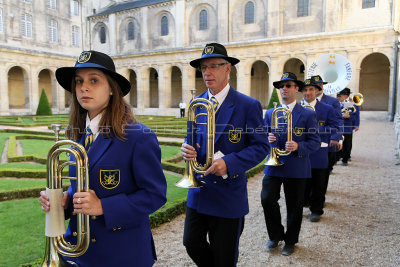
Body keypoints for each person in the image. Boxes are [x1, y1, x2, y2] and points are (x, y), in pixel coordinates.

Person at [39, 50, 167, 266]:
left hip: (120, 254)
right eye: (79, 81)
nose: (83, 87)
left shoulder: (138, 136)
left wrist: (103, 207)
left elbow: (155, 195)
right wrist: (66, 201)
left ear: (111, 89)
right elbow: (80, 187)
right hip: (78, 252)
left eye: (94, 80)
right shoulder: (79, 134)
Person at [181, 43, 268, 266]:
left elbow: (261, 147)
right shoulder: (196, 103)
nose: (207, 72)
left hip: (228, 194)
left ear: (228, 68)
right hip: (198, 192)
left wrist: (229, 163)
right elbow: (191, 138)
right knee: (191, 243)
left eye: (213, 66)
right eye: (203, 68)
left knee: (224, 257)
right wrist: (185, 148)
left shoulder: (248, 105)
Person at [261, 72, 320, 256]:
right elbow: (261, 138)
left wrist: (298, 146)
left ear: (297, 89)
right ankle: (275, 234)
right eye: (281, 86)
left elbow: (315, 142)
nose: (284, 89)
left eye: (288, 85)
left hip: (297, 167)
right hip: (274, 165)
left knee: (294, 206)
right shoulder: (270, 113)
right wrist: (267, 138)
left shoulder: (308, 114)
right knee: (267, 199)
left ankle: (291, 240)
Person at [301, 78, 339, 222]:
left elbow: (335, 127)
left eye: (311, 89)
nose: (308, 93)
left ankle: (316, 209)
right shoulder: (295, 107)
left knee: (319, 181)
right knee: (301, 181)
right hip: (302, 150)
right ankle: (303, 203)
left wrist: (317, 129)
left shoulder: (327, 109)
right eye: (305, 90)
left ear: (317, 91)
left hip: (319, 151)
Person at [312, 75, 343, 202]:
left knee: (323, 174)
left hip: (327, 141)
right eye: (316, 85)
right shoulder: (304, 101)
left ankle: (320, 199)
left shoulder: (332, 101)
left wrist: (336, 138)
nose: (319, 86)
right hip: (310, 143)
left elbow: (338, 120)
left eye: (321, 84)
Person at [336, 88, 359, 166]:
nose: (338, 97)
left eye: (340, 96)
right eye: (338, 96)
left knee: (347, 144)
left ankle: (345, 159)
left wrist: (350, 117)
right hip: (338, 127)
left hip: (347, 127)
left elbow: (355, 115)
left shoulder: (351, 105)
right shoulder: (335, 104)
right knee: (337, 142)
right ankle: (336, 158)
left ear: (345, 96)